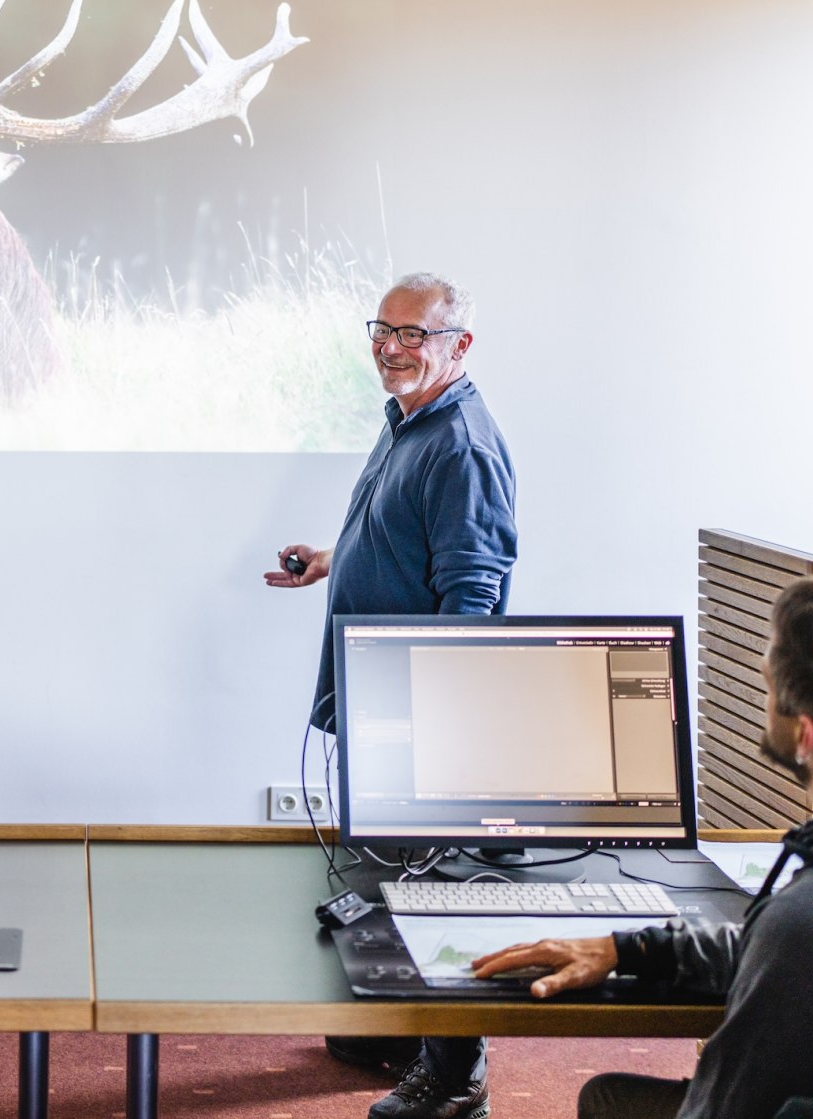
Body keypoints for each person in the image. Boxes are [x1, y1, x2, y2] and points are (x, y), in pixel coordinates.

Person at [265, 271, 517, 1119]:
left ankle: (454, 1076)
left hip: (418, 715)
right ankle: (397, 1026)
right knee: (380, 871)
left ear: (458, 345)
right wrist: (335, 560)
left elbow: (472, 595)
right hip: (374, 696)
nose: (391, 346)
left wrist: (435, 733)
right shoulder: (409, 420)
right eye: (383, 329)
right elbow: (405, 533)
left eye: (413, 333)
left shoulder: (464, 446)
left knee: (426, 883)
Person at [470, 576, 813, 1119]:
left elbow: (724, 1102)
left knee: (606, 1100)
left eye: (767, 684)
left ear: (805, 734)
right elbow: (766, 956)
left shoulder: (798, 921)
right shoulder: (792, 926)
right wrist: (629, 949)